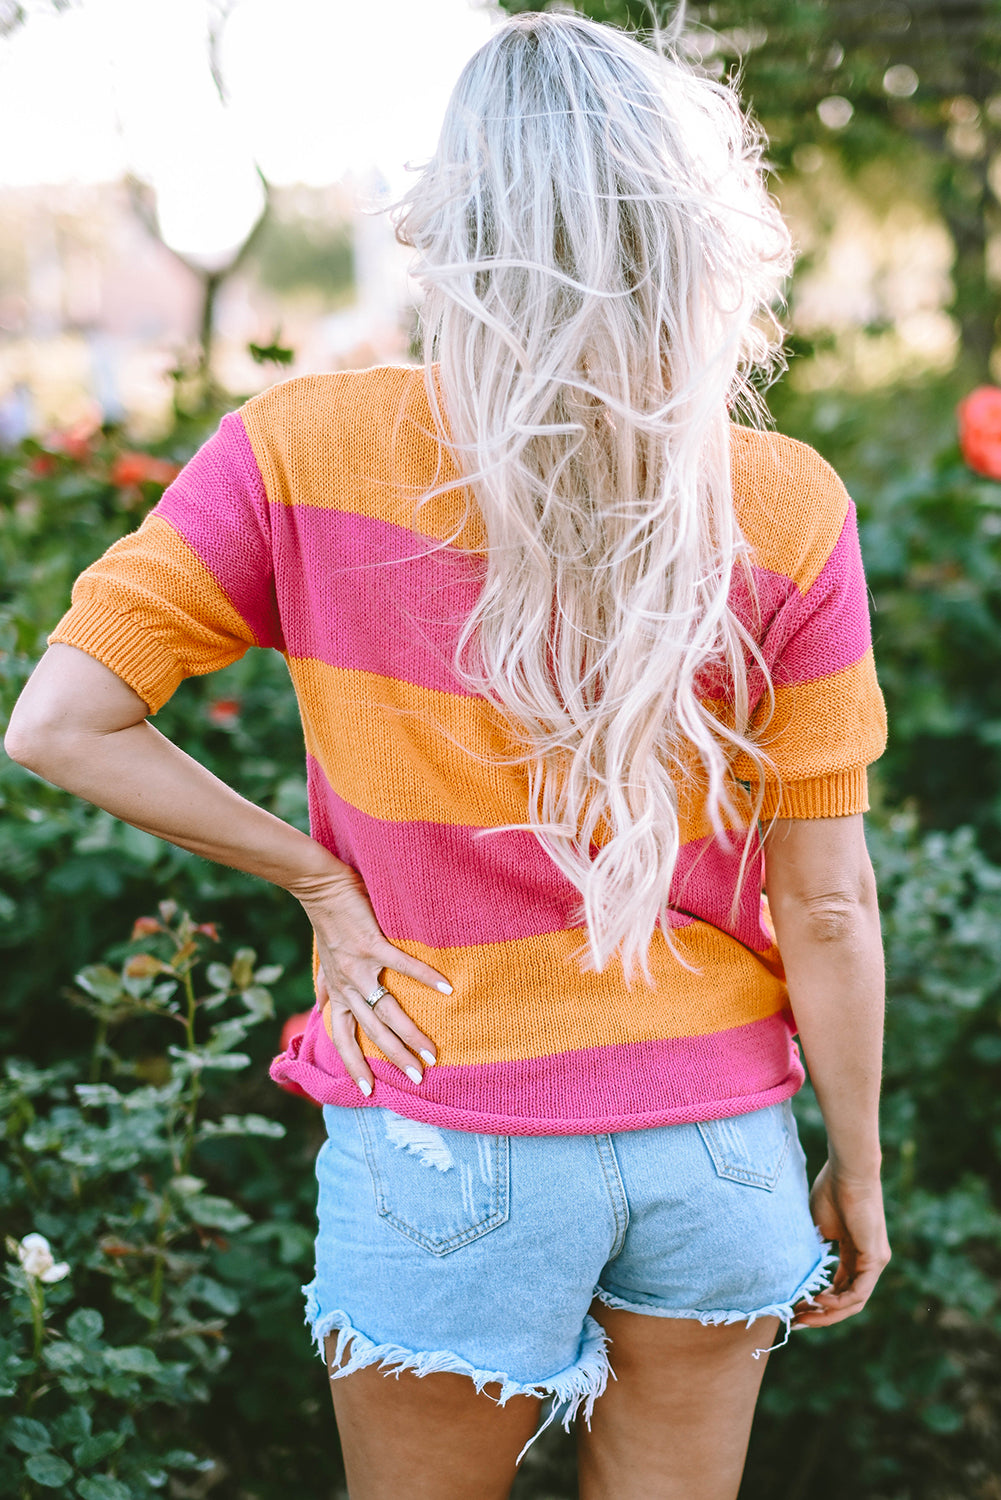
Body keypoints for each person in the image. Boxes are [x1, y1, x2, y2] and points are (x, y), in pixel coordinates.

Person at [5, 12, 891, 1500]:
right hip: (723, 1142)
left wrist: (317, 882)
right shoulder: (782, 500)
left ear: (450, 224)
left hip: (444, 1122)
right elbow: (828, 904)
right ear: (688, 227)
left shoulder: (302, 447)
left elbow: (57, 726)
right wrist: (854, 1169)